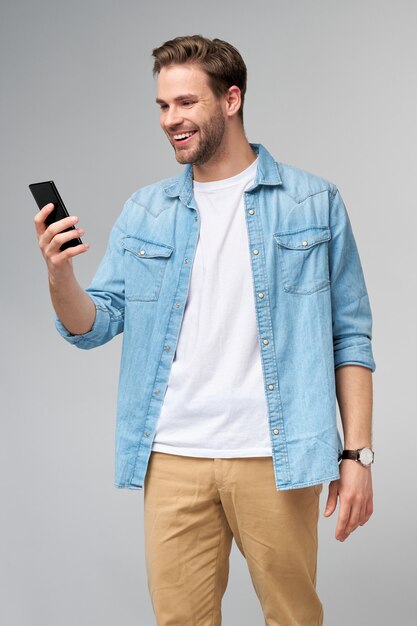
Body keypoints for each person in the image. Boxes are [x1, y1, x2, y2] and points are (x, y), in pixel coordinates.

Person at [34, 35, 376, 626]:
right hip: (172, 457)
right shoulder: (147, 210)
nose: (172, 120)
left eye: (186, 103)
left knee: (294, 617)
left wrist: (357, 456)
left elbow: (351, 338)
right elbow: (94, 324)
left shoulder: (312, 202)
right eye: (163, 107)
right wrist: (59, 274)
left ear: (231, 99)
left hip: (276, 453)